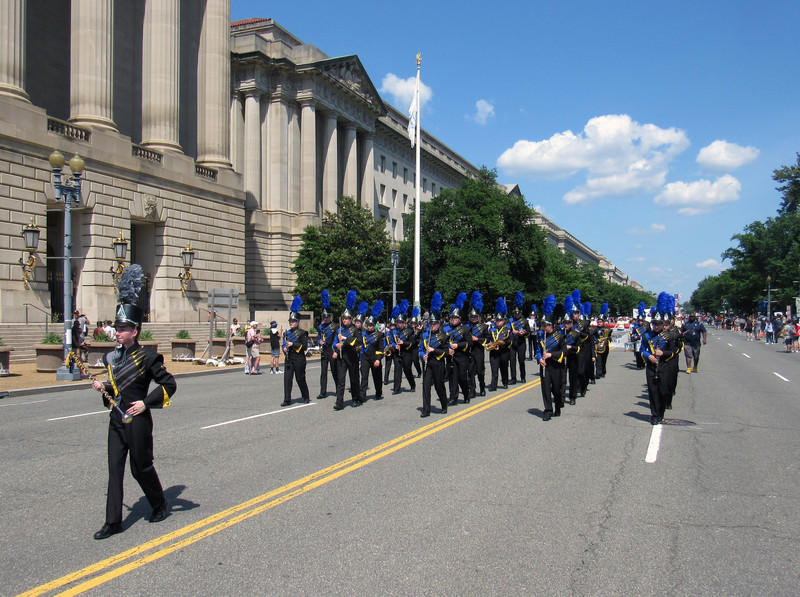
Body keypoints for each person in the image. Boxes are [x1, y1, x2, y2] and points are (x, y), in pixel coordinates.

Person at [91, 264, 176, 540]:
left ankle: (159, 503)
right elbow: (116, 390)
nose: (118, 332)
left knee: (140, 468)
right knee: (114, 471)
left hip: (137, 420)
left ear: (135, 331)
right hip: (117, 420)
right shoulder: (113, 359)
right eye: (117, 328)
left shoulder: (148, 358)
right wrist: (103, 387)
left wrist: (145, 403)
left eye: (123, 328)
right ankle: (113, 521)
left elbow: (169, 384)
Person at [535, 295, 566, 421]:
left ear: (552, 325)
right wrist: (540, 359)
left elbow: (564, 352)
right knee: (546, 389)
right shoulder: (541, 336)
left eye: (545, 325)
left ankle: (558, 406)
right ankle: (548, 410)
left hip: (556, 366)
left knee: (556, 389)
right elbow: (538, 351)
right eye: (542, 325)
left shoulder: (560, 337)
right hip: (545, 366)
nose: (543, 327)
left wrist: (551, 355)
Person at [420, 294, 449, 417]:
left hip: (439, 363)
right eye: (430, 324)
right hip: (428, 364)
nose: (432, 326)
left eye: (434, 324)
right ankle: (426, 410)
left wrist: (433, 350)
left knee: (439, 386)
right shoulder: (425, 336)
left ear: (438, 324)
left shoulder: (443, 336)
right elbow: (421, 349)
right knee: (426, 387)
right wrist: (423, 356)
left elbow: (446, 352)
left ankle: (444, 404)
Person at [333, 291, 362, 410]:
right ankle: (339, 402)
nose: (344, 321)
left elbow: (359, 341)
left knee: (354, 379)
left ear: (350, 319)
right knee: (341, 380)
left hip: (352, 357)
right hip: (342, 357)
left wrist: (347, 339)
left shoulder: (354, 330)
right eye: (343, 319)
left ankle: (356, 398)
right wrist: (337, 347)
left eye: (346, 319)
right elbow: (335, 341)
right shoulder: (339, 329)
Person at [281, 297, 310, 407]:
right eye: (290, 321)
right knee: (287, 379)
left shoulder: (302, 333)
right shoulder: (287, 333)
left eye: (293, 321)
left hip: (299, 358)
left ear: (298, 322)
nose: (292, 323)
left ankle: (306, 396)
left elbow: (304, 346)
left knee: (300, 378)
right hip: (289, 358)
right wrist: (284, 349)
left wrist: (293, 344)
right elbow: (284, 343)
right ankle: (287, 399)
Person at [446, 296, 472, 405]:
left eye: (455, 318)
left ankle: (466, 394)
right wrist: (448, 349)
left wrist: (458, 345)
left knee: (462, 377)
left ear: (460, 319)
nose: (453, 320)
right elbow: (442, 342)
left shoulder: (465, 329)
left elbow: (469, 343)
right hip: (451, 357)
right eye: (452, 318)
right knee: (452, 378)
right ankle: (453, 397)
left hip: (462, 356)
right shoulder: (446, 329)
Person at [359, 302, 386, 402]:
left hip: (375, 358)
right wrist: (360, 359)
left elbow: (381, 348)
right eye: (368, 325)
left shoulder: (379, 335)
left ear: (374, 325)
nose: (369, 327)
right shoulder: (363, 334)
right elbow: (362, 347)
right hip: (366, 357)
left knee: (377, 377)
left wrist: (378, 359)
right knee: (364, 376)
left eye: (371, 325)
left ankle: (378, 393)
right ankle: (362, 396)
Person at [487, 298, 511, 391]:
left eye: (500, 320)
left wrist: (504, 343)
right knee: (494, 369)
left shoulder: (507, 329)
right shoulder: (492, 329)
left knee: (504, 368)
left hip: (504, 351)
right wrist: (489, 343)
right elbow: (488, 338)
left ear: (504, 321)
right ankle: (493, 385)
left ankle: (505, 382)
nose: (498, 322)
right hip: (494, 351)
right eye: (497, 320)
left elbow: (511, 341)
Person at [317, 291, 337, 400]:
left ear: (330, 317)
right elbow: (319, 336)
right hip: (324, 350)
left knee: (334, 371)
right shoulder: (321, 327)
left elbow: (335, 339)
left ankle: (338, 389)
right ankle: (322, 392)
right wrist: (320, 341)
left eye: (327, 317)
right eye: (324, 317)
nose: (326, 319)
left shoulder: (334, 326)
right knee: (323, 372)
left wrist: (332, 347)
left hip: (331, 349)